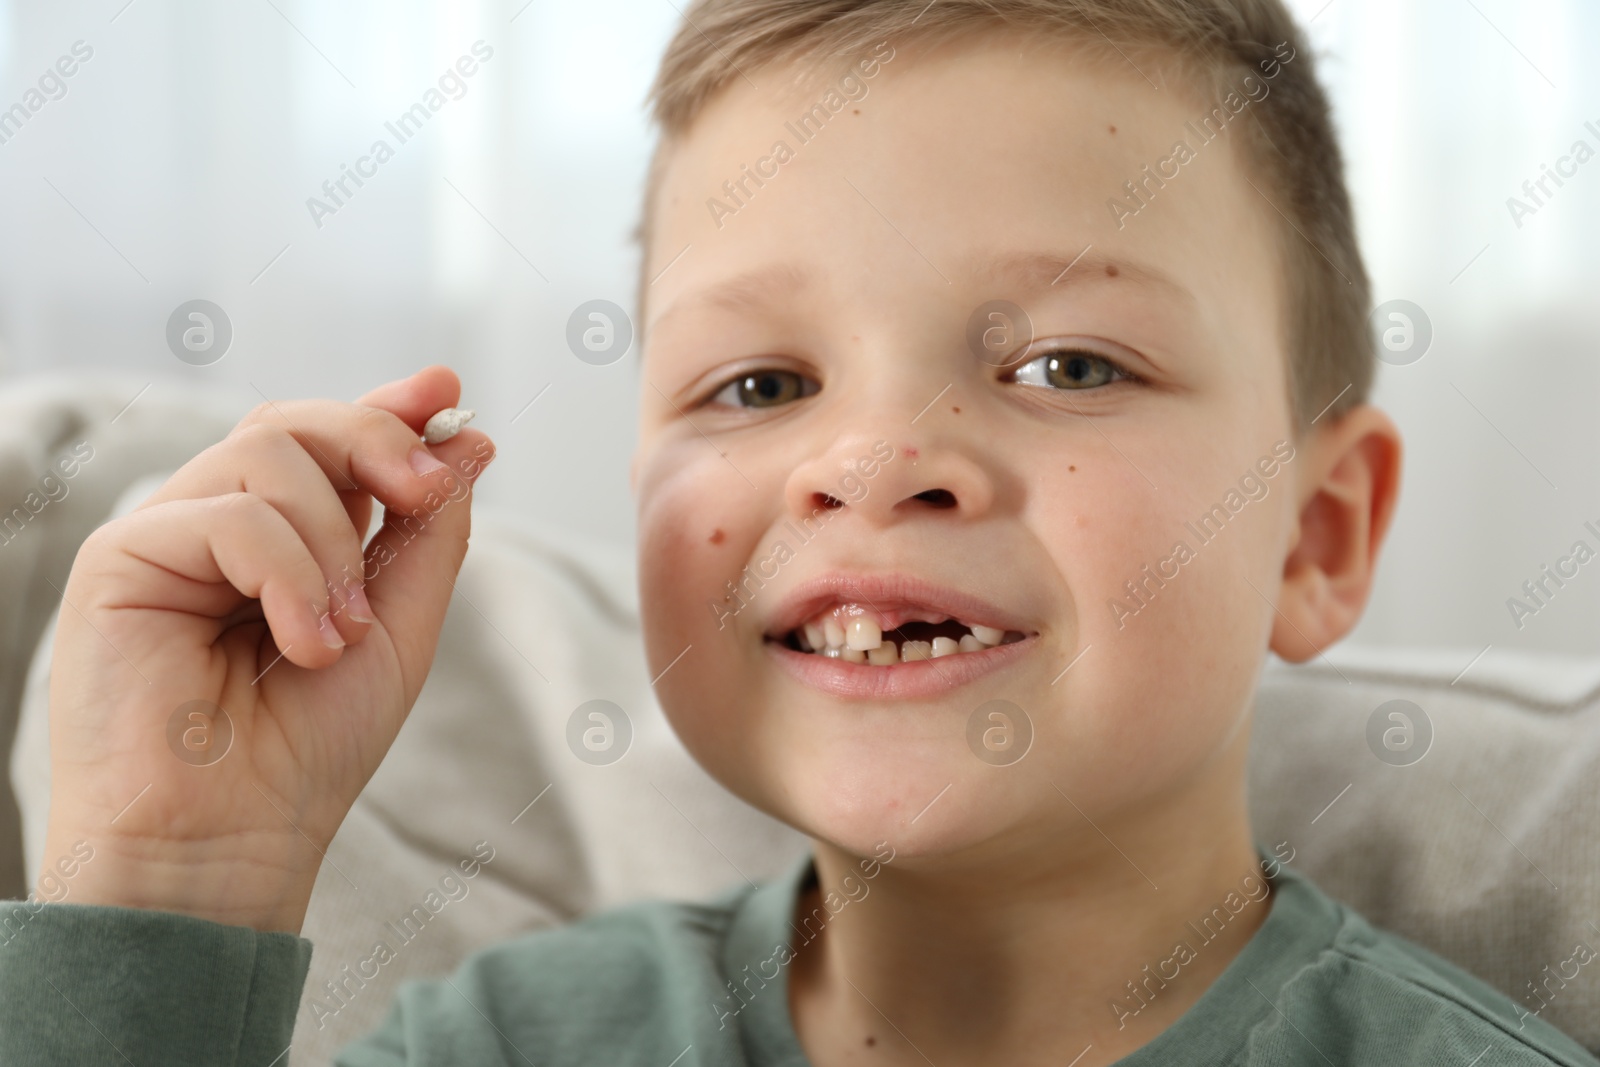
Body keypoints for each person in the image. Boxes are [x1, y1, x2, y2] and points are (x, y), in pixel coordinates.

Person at [3, 0, 1597, 1063]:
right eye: (760, 379)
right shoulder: (505, 1046)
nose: (875, 460)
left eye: (1066, 364)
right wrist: (167, 885)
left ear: (1317, 534)